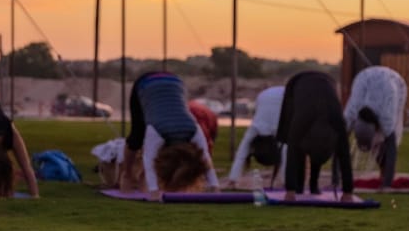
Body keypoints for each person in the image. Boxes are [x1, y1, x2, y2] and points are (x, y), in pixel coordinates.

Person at [119, 71, 219, 199]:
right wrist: (154, 191)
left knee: (144, 141)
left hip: (175, 82)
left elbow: (205, 159)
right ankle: (127, 175)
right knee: (136, 137)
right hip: (146, 84)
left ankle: (141, 179)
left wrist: (214, 187)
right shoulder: (157, 131)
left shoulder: (194, 130)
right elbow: (148, 159)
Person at [276, 71, 357, 202]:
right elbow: (344, 153)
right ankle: (343, 193)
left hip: (309, 104)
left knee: (294, 144)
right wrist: (348, 191)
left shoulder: (299, 89)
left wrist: (289, 191)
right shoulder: (327, 95)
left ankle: (293, 190)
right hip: (322, 100)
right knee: (342, 146)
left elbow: (292, 145)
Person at [343, 65, 407, 188]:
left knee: (384, 141)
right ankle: (385, 174)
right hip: (363, 78)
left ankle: (386, 175)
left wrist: (387, 185)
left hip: (394, 81)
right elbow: (340, 144)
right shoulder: (350, 114)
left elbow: (392, 147)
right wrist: (336, 179)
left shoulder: (387, 117)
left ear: (377, 127)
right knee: (376, 141)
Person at [226, 84, 286, 187]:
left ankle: (233, 179)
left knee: (242, 150)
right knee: (286, 152)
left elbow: (258, 111)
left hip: (258, 124)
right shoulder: (286, 93)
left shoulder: (263, 94)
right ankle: (285, 181)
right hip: (276, 125)